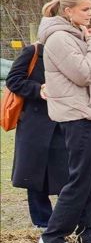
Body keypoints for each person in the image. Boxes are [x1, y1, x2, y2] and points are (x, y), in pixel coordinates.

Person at [37, 0, 91, 243]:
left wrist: (90, 41)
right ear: (68, 11)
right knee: (80, 178)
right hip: (75, 115)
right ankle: (52, 236)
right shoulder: (59, 39)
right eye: (85, 9)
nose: (90, 14)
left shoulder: (75, 34)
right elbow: (84, 73)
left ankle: (87, 234)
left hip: (86, 113)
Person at [6, 42, 69, 229]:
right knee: (34, 175)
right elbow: (13, 81)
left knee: (65, 173)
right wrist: (38, 89)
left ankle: (64, 221)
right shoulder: (33, 52)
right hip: (34, 123)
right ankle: (42, 223)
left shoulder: (72, 50)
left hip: (64, 121)